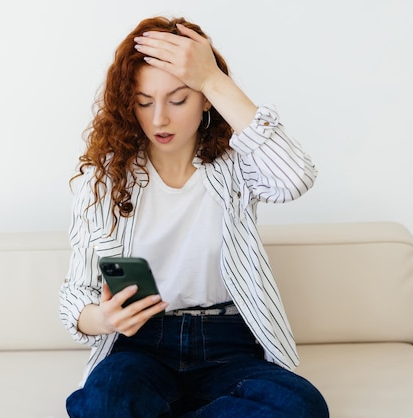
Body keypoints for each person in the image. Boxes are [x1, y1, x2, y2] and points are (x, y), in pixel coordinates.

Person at [59, 16, 329, 418]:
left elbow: (295, 178)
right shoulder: (103, 180)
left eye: (179, 99)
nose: (158, 119)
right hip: (142, 344)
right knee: (106, 400)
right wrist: (103, 318)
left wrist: (214, 79)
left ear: (205, 99)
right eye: (144, 101)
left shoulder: (238, 166)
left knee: (300, 407)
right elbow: (75, 296)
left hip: (230, 344)